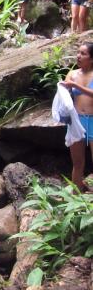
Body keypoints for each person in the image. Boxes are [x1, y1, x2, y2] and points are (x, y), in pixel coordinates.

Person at [61, 42, 93, 189]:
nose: (78, 56)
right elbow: (64, 95)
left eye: (83, 54)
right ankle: (76, 198)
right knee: (77, 163)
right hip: (76, 121)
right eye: (78, 52)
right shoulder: (72, 74)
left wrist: (75, 86)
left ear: (91, 59)